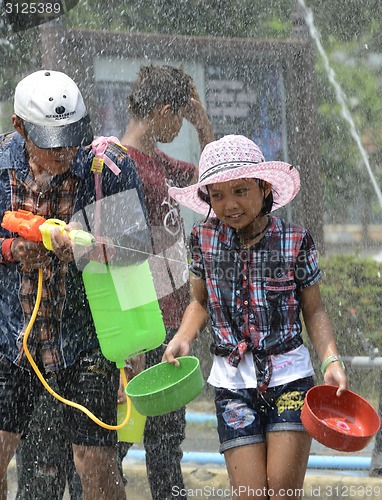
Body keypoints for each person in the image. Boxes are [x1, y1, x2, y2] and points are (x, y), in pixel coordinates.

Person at [162, 134, 349, 499]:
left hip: (290, 379)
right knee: (248, 494)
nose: (229, 204)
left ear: (264, 189)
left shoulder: (295, 240)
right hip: (233, 384)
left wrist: (331, 358)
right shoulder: (203, 239)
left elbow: (315, 310)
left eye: (240, 191)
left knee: (281, 492)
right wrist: (183, 338)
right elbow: (199, 302)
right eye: (217, 195)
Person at [0, 69, 150, 500]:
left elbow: (140, 250)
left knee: (96, 466)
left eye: (72, 134)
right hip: (13, 336)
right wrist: (13, 252)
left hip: (86, 338)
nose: (65, 149)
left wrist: (87, 251)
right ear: (19, 127)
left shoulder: (107, 167)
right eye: (51, 139)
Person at [117, 64, 214, 499]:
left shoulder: (159, 162)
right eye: (180, 116)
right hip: (139, 329)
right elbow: (116, 259)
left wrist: (202, 124)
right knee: (113, 444)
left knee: (165, 447)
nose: (181, 126)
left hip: (171, 327)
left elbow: (217, 184)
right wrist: (128, 343)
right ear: (162, 110)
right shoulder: (116, 163)